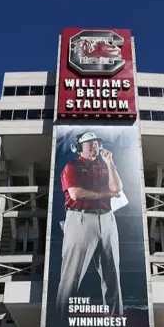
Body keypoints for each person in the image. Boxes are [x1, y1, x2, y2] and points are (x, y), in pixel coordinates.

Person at [55, 131, 124, 316]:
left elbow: (117, 188)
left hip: (107, 218)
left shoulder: (104, 164)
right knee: (71, 276)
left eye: (96, 143)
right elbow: (76, 194)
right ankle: (60, 323)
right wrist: (106, 195)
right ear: (79, 148)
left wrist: (110, 164)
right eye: (90, 144)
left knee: (112, 274)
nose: (95, 147)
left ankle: (115, 321)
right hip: (81, 218)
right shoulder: (72, 165)